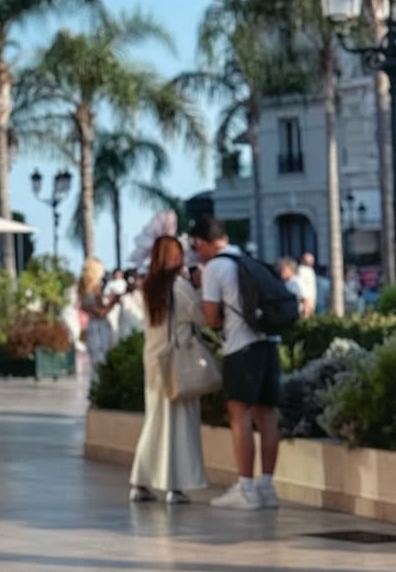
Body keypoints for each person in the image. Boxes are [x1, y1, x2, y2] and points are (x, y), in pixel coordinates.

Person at [192, 215, 281, 510]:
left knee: (239, 415)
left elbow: (211, 318)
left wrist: (201, 288)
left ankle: (245, 487)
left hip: (241, 347)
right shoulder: (247, 259)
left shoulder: (215, 267)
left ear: (202, 242)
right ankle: (266, 486)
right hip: (269, 342)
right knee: (267, 414)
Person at [129, 236, 208, 505]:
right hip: (177, 361)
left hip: (154, 360)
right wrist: (199, 285)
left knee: (155, 421)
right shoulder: (179, 287)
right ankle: (175, 485)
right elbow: (200, 316)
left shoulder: (149, 287)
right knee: (179, 425)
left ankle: (141, 481)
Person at [78, 257, 117, 369]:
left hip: (91, 327)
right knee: (102, 361)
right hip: (100, 329)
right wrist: (114, 301)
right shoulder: (95, 288)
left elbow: (83, 307)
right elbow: (101, 312)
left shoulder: (82, 287)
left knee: (94, 362)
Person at [297, 251, 318, 317]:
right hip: (305, 302)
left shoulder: (310, 270)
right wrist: (306, 303)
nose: (311, 262)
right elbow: (302, 287)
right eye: (308, 260)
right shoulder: (301, 270)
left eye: (311, 260)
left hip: (311, 300)